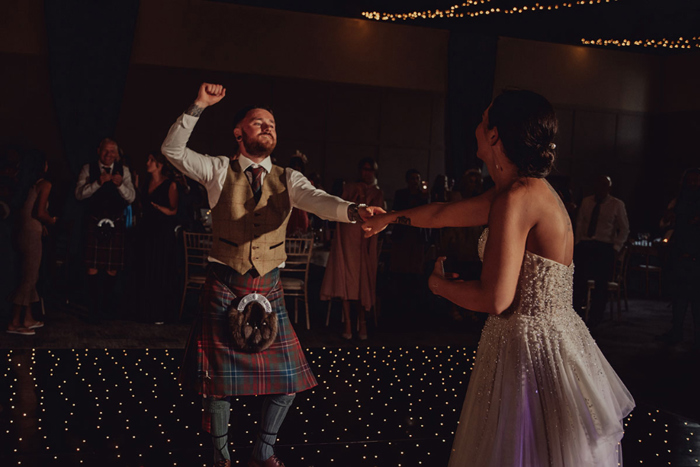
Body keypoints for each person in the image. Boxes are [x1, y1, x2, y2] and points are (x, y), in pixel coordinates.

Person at [363, 89, 634, 466]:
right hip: (549, 339)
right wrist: (388, 218)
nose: (477, 123)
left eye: (484, 116)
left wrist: (439, 286)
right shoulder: (520, 192)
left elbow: (495, 299)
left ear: (494, 135)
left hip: (530, 350)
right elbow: (444, 212)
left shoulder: (517, 198)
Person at [161, 83, 383, 467]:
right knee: (217, 387)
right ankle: (221, 457)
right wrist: (199, 104)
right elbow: (173, 151)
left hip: (269, 291)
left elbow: (320, 201)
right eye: (257, 122)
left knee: (288, 383)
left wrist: (354, 209)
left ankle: (263, 451)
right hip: (225, 287)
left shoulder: (289, 177)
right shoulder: (217, 170)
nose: (267, 127)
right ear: (239, 133)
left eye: (272, 124)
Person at [320, 157, 385, 340]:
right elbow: (341, 208)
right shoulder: (349, 187)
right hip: (347, 240)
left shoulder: (377, 192)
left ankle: (362, 322)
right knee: (346, 281)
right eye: (364, 169)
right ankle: (348, 322)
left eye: (370, 170)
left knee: (362, 281)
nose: (366, 173)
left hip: (365, 242)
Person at [75, 138, 136, 322]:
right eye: (105, 151)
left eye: (112, 152)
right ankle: (93, 309)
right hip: (94, 222)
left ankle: (106, 307)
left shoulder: (123, 171)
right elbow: (78, 195)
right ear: (98, 150)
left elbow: (131, 198)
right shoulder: (88, 168)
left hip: (115, 223)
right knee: (91, 267)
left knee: (112, 268)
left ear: (117, 154)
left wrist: (120, 185)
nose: (109, 155)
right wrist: (98, 183)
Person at [7, 154, 56, 335]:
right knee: (28, 278)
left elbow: (25, 212)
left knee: (30, 275)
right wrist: (51, 221)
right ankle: (14, 322)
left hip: (22, 233)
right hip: (31, 235)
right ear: (42, 166)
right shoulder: (45, 184)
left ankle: (27, 318)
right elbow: (40, 212)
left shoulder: (26, 185)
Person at [573, 175, 630, 327]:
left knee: (601, 285)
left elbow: (624, 228)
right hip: (586, 244)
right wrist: (578, 242)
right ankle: (577, 313)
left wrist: (616, 247)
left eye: (604, 186)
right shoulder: (587, 201)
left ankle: (595, 318)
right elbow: (580, 222)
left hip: (603, 246)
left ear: (609, 188)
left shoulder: (616, 204)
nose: (600, 189)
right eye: (598, 185)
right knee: (579, 282)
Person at [135, 151, 179, 324]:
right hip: (146, 230)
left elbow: (173, 210)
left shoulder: (170, 185)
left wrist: (159, 208)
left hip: (161, 233)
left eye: (151, 160)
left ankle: (159, 313)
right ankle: (143, 311)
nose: (147, 162)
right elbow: (141, 206)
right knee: (145, 269)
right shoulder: (146, 183)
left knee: (159, 270)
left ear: (159, 164)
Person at [662, 168, 700, 346]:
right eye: (690, 181)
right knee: (679, 297)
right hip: (680, 254)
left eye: (696, 181)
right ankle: (676, 331)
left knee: (696, 300)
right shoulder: (679, 201)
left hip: (696, 256)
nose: (693, 184)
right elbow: (667, 223)